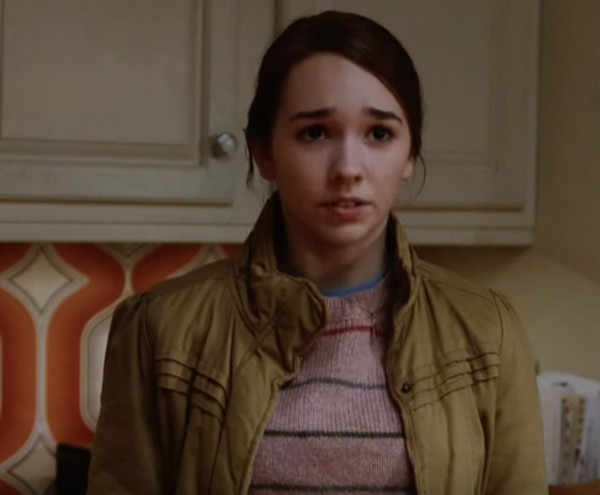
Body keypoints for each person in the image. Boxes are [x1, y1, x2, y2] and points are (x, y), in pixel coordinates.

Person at [88, 10, 548, 495]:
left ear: (410, 155)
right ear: (265, 152)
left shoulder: (487, 333)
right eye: (315, 132)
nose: (348, 168)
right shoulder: (159, 328)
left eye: (379, 134)